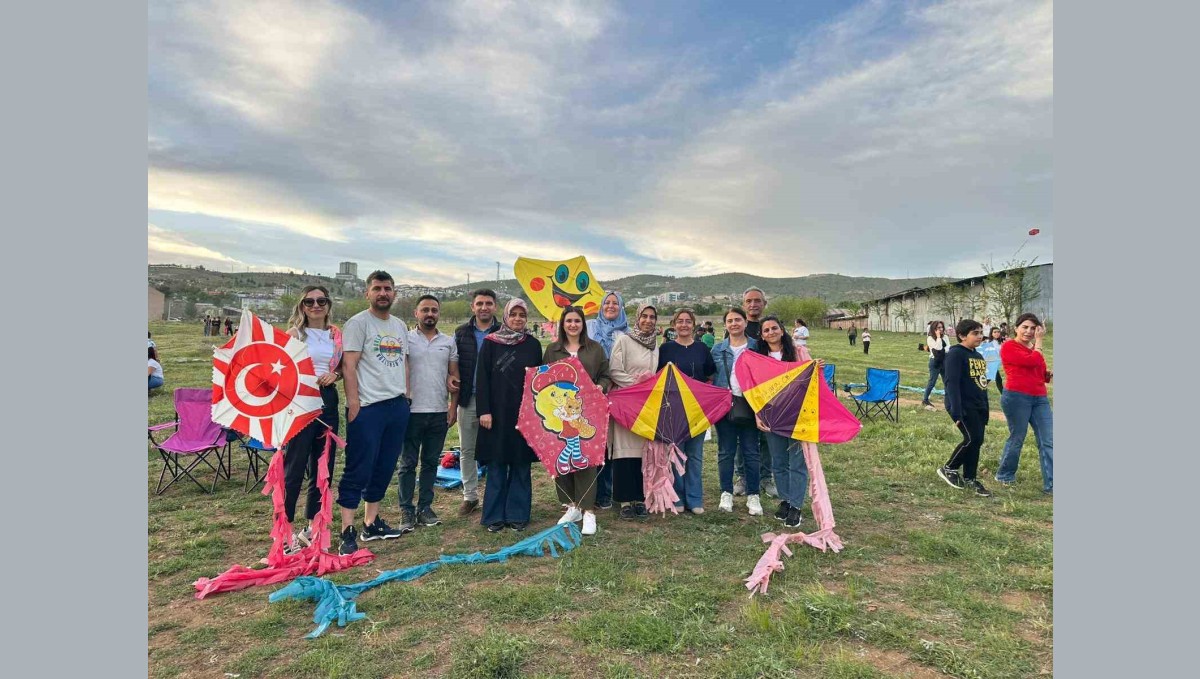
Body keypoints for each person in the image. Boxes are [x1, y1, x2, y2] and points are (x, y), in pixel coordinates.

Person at [336, 271, 411, 555]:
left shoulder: (400, 325)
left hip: (396, 406)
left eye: (388, 289)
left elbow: (403, 362)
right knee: (359, 467)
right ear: (367, 293)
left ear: (394, 293)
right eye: (377, 288)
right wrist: (354, 403)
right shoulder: (358, 324)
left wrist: (406, 395)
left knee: (384, 466)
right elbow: (349, 366)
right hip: (367, 408)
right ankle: (347, 530)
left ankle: (371, 523)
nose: (383, 293)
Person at [281, 287, 343, 555]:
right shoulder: (294, 335)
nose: (316, 305)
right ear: (303, 306)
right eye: (310, 302)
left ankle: (312, 528)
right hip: (301, 401)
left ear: (328, 305)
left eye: (321, 301)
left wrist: (336, 375)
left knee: (323, 468)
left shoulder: (336, 334)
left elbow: (342, 365)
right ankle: (283, 533)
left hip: (328, 400)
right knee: (293, 468)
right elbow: (280, 367)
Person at [476, 299, 544, 532]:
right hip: (495, 413)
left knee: (520, 464)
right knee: (497, 464)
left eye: (521, 315)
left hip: (524, 414)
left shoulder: (533, 345)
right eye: (513, 314)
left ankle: (518, 514)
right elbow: (482, 378)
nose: (517, 319)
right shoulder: (491, 343)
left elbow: (539, 380)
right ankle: (494, 516)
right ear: (505, 316)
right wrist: (483, 410)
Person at [544, 306, 612, 535]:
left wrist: (599, 387)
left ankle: (589, 510)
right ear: (562, 324)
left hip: (588, 412)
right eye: (569, 321)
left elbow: (606, 374)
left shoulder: (594, 349)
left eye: (577, 321)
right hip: (560, 414)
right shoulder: (552, 350)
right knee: (561, 458)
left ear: (583, 324)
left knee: (586, 459)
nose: (573, 325)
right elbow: (544, 378)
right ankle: (572, 506)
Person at [398, 295, 460, 532]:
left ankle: (425, 507)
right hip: (410, 411)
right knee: (407, 463)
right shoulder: (406, 339)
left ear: (439, 314)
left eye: (434, 310)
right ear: (416, 313)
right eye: (425, 310)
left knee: (430, 462)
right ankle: (406, 509)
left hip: (438, 412)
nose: (430, 314)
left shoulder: (448, 341)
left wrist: (452, 407)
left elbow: (454, 377)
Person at [657, 308, 716, 514]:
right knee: (676, 454)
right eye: (680, 321)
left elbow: (710, 376)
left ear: (693, 324)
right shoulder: (665, 349)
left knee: (695, 455)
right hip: (673, 410)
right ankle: (678, 497)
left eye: (688, 321)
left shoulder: (701, 349)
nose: (684, 325)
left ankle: (695, 498)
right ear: (674, 325)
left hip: (697, 411)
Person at [754, 315, 811, 528]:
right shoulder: (759, 357)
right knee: (778, 462)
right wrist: (758, 414)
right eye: (766, 330)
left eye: (774, 328)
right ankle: (785, 500)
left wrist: (817, 367)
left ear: (782, 329)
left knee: (797, 462)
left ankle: (796, 505)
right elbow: (755, 389)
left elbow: (810, 379)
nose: (771, 332)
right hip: (771, 415)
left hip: (796, 415)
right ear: (761, 335)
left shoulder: (797, 353)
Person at [451, 289, 501, 516]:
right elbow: (451, 364)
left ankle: (495, 494)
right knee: (468, 449)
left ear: (495, 307)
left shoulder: (503, 332)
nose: (484, 307)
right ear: (473, 307)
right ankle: (470, 496)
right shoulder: (460, 333)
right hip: (468, 399)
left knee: (496, 449)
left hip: (497, 402)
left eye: (488, 303)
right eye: (479, 303)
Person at [608, 304, 659, 521]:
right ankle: (624, 501)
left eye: (652, 317)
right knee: (624, 451)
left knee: (641, 452)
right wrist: (636, 385)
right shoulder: (624, 340)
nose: (648, 320)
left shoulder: (656, 345)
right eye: (644, 316)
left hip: (646, 403)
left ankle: (639, 498)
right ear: (637, 318)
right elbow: (614, 370)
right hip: (625, 400)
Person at [711, 307, 763, 516]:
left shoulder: (756, 347)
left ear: (744, 323)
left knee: (751, 451)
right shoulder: (717, 349)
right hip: (726, 406)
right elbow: (711, 376)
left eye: (738, 320)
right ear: (725, 325)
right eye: (730, 320)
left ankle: (753, 495)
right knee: (726, 451)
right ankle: (726, 492)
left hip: (751, 405)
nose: (734, 324)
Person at [995, 313, 1053, 495]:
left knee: (1049, 440)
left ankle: (1052, 484)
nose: (1029, 331)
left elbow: (1040, 371)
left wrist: (1047, 374)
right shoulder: (1009, 346)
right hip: (1016, 397)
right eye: (1025, 327)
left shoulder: (1035, 350)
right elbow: (1031, 361)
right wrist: (1040, 343)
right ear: (1016, 328)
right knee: (1017, 437)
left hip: (1039, 398)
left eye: (1033, 328)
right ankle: (1005, 474)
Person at [936, 319, 992, 497]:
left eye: (981, 332)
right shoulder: (955, 354)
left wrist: (985, 408)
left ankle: (970, 477)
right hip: (962, 405)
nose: (980, 336)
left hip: (978, 405)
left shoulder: (978, 355)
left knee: (977, 441)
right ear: (961, 335)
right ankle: (949, 468)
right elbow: (951, 383)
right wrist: (956, 410)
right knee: (971, 439)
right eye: (975, 333)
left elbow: (982, 383)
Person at [585, 291, 628, 510]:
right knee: (592, 442)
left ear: (622, 307)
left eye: (615, 303)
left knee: (612, 444)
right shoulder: (590, 327)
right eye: (607, 303)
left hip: (618, 393)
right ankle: (589, 491)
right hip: (593, 392)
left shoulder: (627, 332)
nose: (611, 306)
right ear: (601, 306)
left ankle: (607, 491)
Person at [735, 286, 775, 498]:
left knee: (766, 437)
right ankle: (741, 476)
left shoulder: (770, 326)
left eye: (757, 300)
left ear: (764, 303)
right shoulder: (738, 326)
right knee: (743, 437)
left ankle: (766, 477)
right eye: (749, 301)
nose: (753, 304)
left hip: (768, 392)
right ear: (744, 305)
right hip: (743, 392)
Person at [923, 321, 949, 410]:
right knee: (932, 381)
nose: (941, 329)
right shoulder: (930, 338)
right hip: (935, 361)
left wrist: (942, 348)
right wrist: (938, 337)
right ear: (934, 329)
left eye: (942, 327)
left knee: (947, 381)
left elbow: (947, 348)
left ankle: (948, 399)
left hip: (944, 360)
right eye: (938, 328)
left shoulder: (945, 337)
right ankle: (925, 399)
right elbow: (938, 348)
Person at [981, 326, 1006, 394]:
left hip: (996, 362)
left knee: (992, 378)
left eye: (998, 332)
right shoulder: (988, 342)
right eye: (995, 332)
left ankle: (979, 389)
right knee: (997, 379)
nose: (997, 333)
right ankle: (1003, 394)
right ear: (991, 333)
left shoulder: (1000, 342)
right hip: (990, 362)